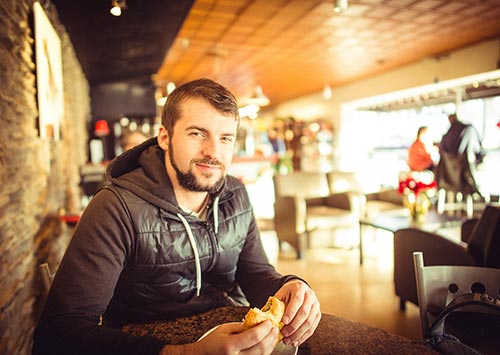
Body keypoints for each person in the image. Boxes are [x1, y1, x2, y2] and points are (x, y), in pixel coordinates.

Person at [33, 78, 321, 355]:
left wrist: (291, 286)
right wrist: (185, 352)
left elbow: (255, 273)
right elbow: (59, 334)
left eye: (225, 138)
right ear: (165, 137)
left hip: (231, 333)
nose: (213, 152)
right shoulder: (116, 207)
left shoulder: (235, 194)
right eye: (197, 133)